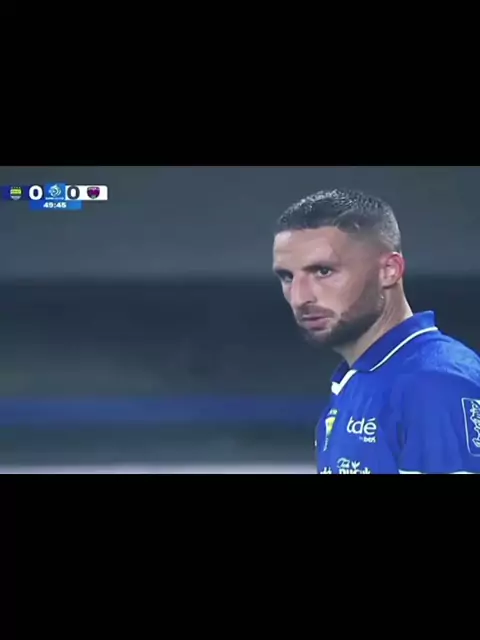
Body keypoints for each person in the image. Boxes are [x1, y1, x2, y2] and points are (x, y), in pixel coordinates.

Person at [272, 188, 480, 474]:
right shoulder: (361, 378)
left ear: (389, 270)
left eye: (323, 271)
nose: (299, 297)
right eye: (287, 277)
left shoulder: (436, 382)